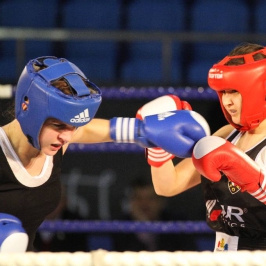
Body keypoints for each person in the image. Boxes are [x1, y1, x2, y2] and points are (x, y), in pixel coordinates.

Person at [0, 56, 209, 252]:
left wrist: (142, 131)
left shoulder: (56, 140)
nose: (67, 137)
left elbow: (98, 129)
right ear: (27, 107)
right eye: (58, 125)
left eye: (73, 127)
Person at [148, 43, 266, 251]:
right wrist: (156, 144)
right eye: (223, 92)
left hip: (263, 258)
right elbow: (167, 186)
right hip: (221, 252)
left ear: (264, 88)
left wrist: (254, 180)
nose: (226, 101)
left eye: (234, 91)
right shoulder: (226, 134)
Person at [112, 178, 197, 251]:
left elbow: (189, 256)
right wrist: (144, 225)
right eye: (139, 198)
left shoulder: (177, 223)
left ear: (161, 201)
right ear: (131, 202)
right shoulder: (121, 225)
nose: (144, 204)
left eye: (150, 198)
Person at [33, 184, 88, 252]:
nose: (48, 206)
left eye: (54, 201)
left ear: (64, 202)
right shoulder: (24, 221)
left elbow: (79, 257)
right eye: (43, 200)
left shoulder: (75, 224)